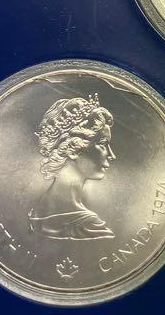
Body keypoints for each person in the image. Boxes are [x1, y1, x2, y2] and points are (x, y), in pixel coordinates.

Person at [27, 95, 116, 240]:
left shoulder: (36, 212)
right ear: (73, 150)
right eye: (102, 144)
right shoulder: (91, 225)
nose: (112, 155)